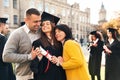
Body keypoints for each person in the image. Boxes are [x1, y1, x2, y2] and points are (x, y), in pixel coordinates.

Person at [2, 8, 41, 80]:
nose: (38, 24)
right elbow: (6, 56)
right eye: (35, 22)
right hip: (24, 77)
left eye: (39, 21)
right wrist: (29, 57)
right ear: (26, 20)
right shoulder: (16, 34)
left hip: (41, 75)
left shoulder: (41, 32)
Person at [30, 11, 66, 80]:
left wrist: (60, 59)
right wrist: (39, 58)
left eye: (47, 24)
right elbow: (33, 65)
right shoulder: (37, 43)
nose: (45, 26)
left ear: (53, 25)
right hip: (44, 76)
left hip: (59, 75)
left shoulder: (59, 42)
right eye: (43, 24)